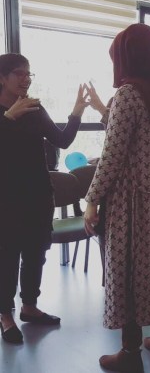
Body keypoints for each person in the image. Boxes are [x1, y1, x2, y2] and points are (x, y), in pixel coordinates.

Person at [83, 23, 150, 372]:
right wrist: (104, 109)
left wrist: (92, 200)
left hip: (130, 204)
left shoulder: (129, 95)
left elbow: (112, 156)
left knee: (127, 273)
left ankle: (130, 353)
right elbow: (138, 135)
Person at [0, 53, 89, 344]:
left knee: (36, 253)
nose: (26, 79)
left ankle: (29, 306)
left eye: (29, 74)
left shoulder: (34, 108)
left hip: (38, 193)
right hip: (6, 197)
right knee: (7, 257)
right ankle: (5, 315)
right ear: (2, 78)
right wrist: (8, 118)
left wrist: (76, 112)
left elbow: (62, 140)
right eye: (19, 73)